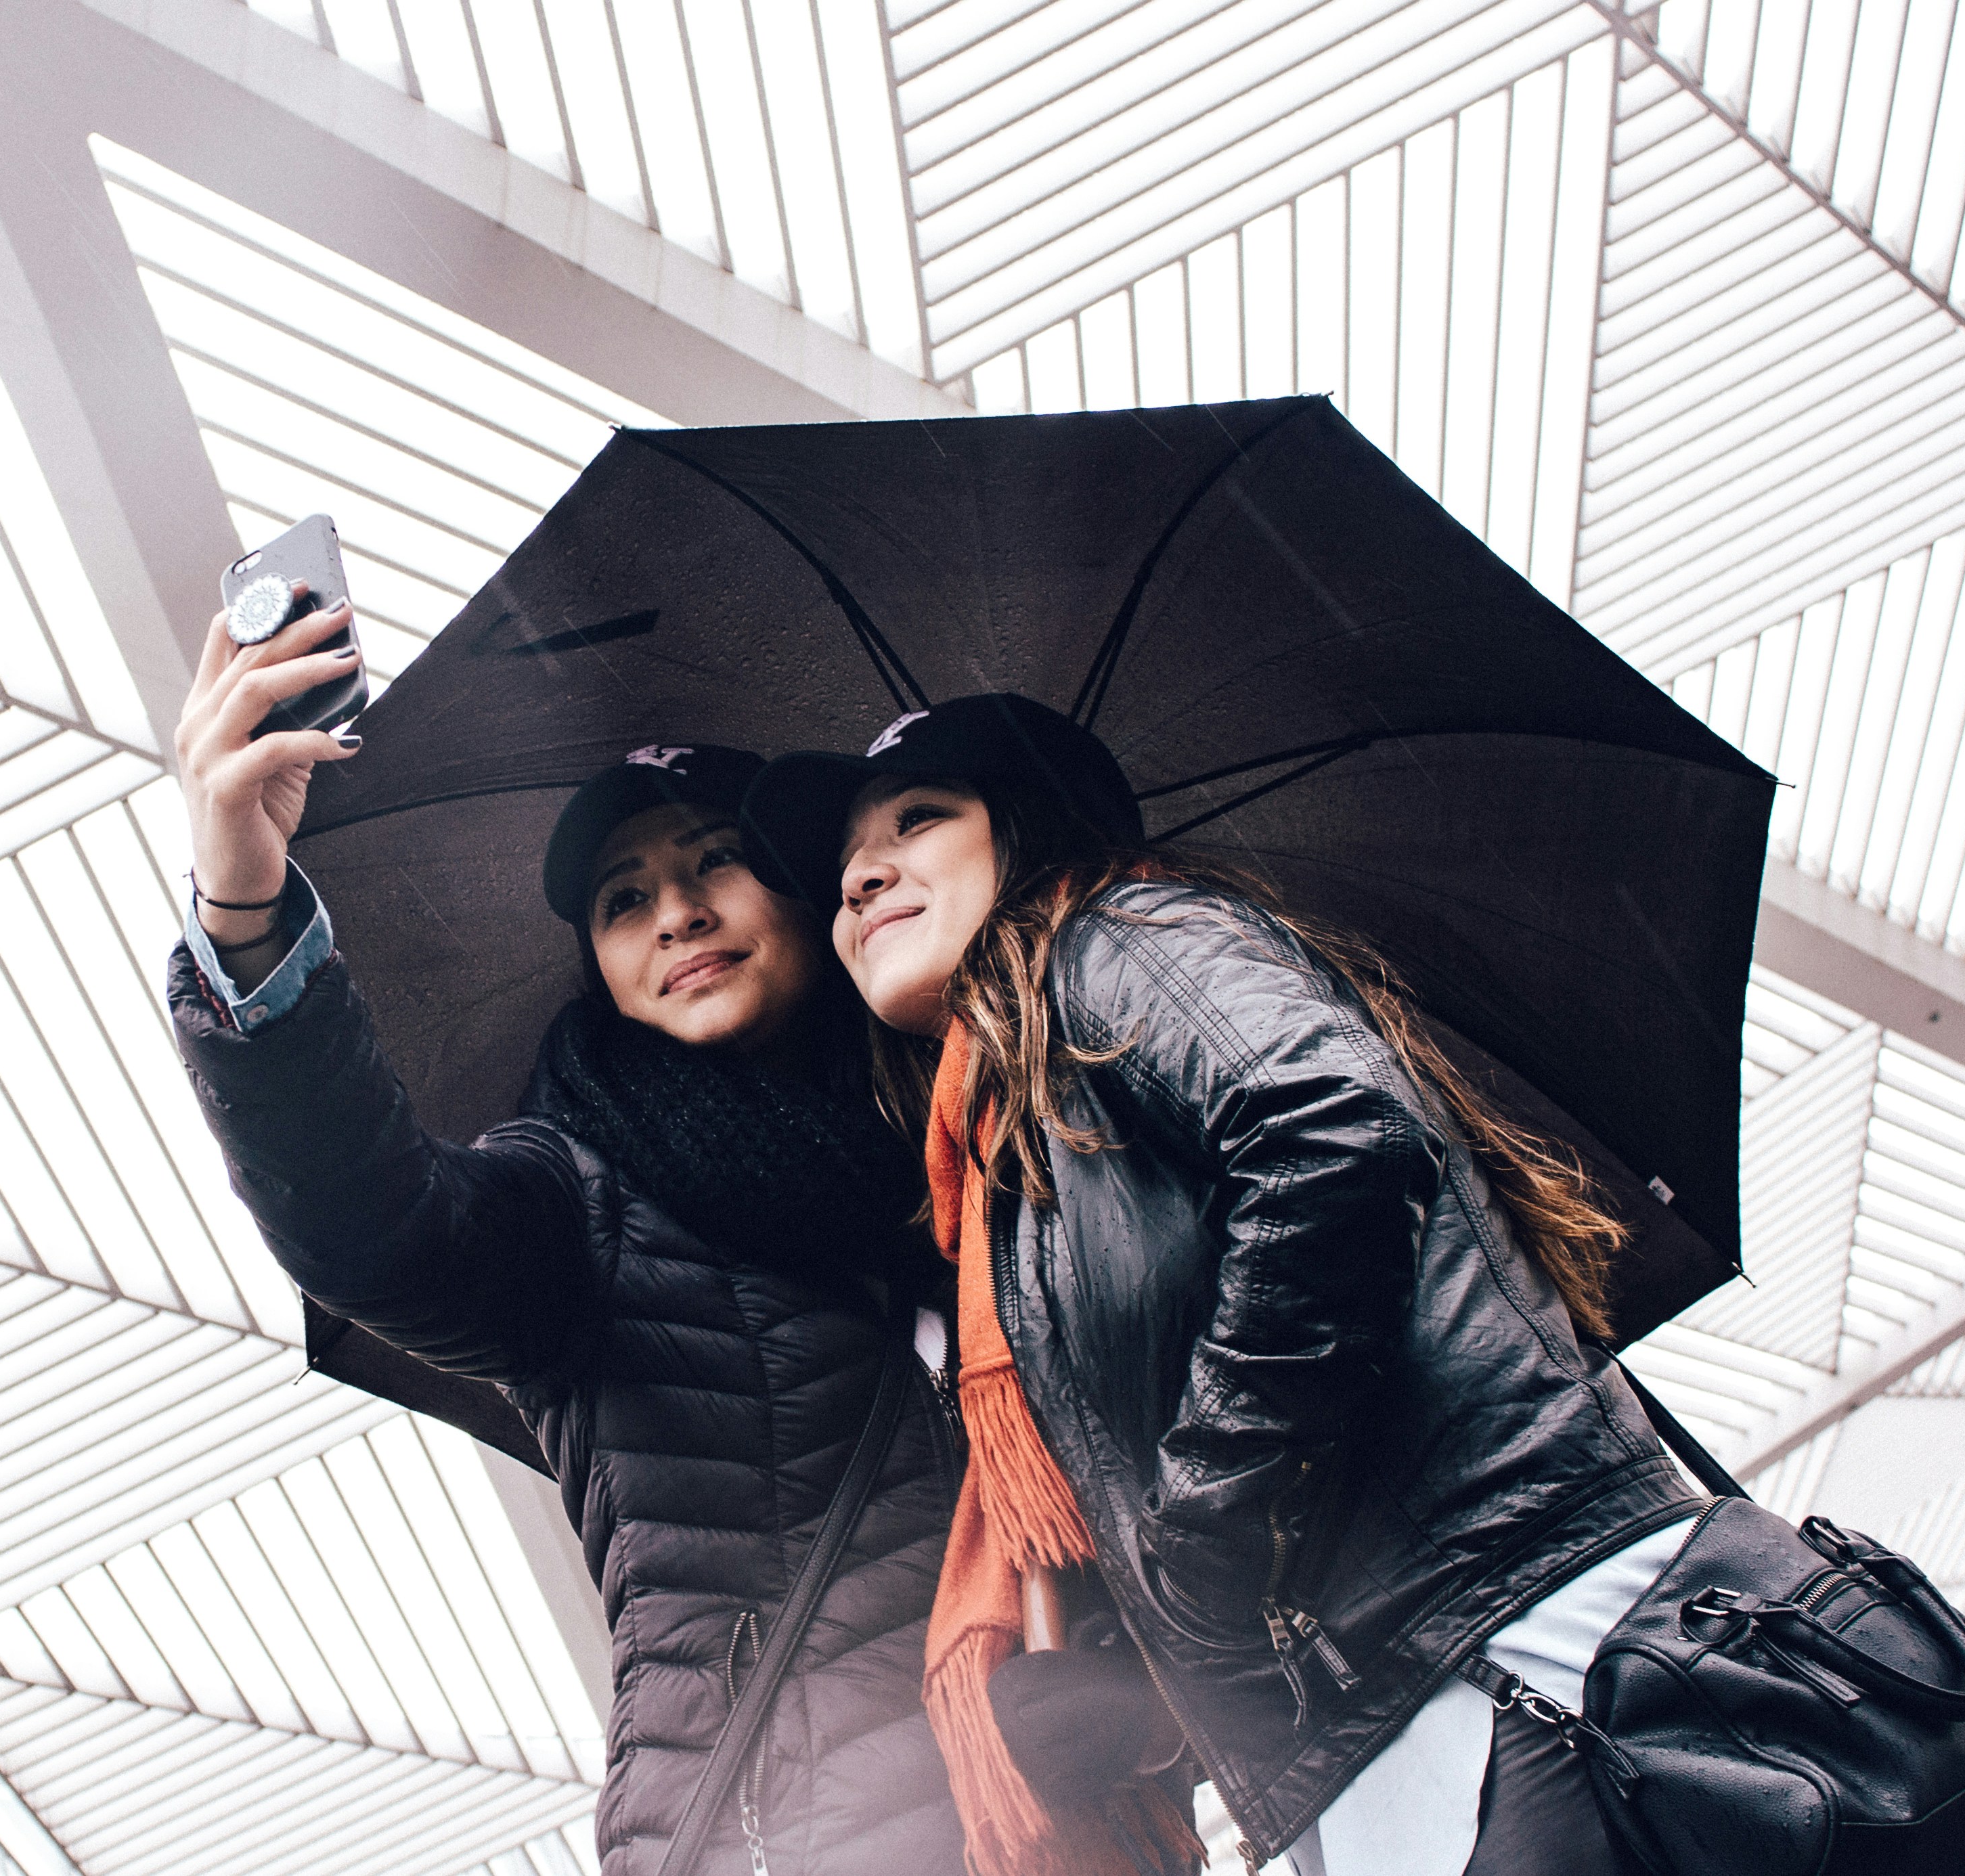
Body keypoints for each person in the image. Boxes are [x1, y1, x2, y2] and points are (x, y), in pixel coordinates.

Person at [739, 694, 1704, 1876]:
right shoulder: (1008, 1168)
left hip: (1517, 1644)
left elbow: (1334, 1139)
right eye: (844, 864)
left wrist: (1198, 1545)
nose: (856, 878)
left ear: (1030, 826)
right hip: (1386, 1723)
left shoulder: (1118, 936)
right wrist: (1136, 1690)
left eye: (916, 819)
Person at [167, 594, 966, 1875]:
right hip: (772, 1839)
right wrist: (245, 913)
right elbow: (375, 1229)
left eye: (716, 860)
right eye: (621, 899)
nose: (675, 914)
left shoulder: (984, 1148)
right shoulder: (575, 1195)